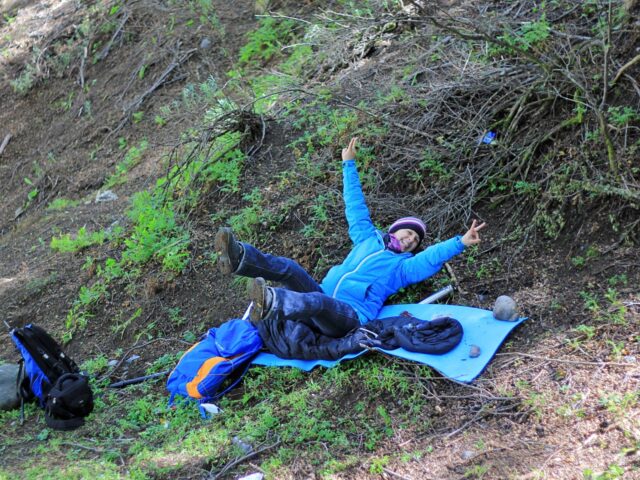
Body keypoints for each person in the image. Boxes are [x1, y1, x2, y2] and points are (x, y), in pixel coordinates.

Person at [215, 137, 486, 338]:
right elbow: (355, 206)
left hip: (348, 317)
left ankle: (271, 302)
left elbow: (429, 258)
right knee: (291, 268)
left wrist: (459, 243)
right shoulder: (366, 238)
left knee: (317, 302)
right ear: (394, 229)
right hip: (322, 296)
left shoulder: (402, 268)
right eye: (409, 233)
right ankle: (239, 258)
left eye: (415, 241)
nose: (411, 240)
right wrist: (348, 164)